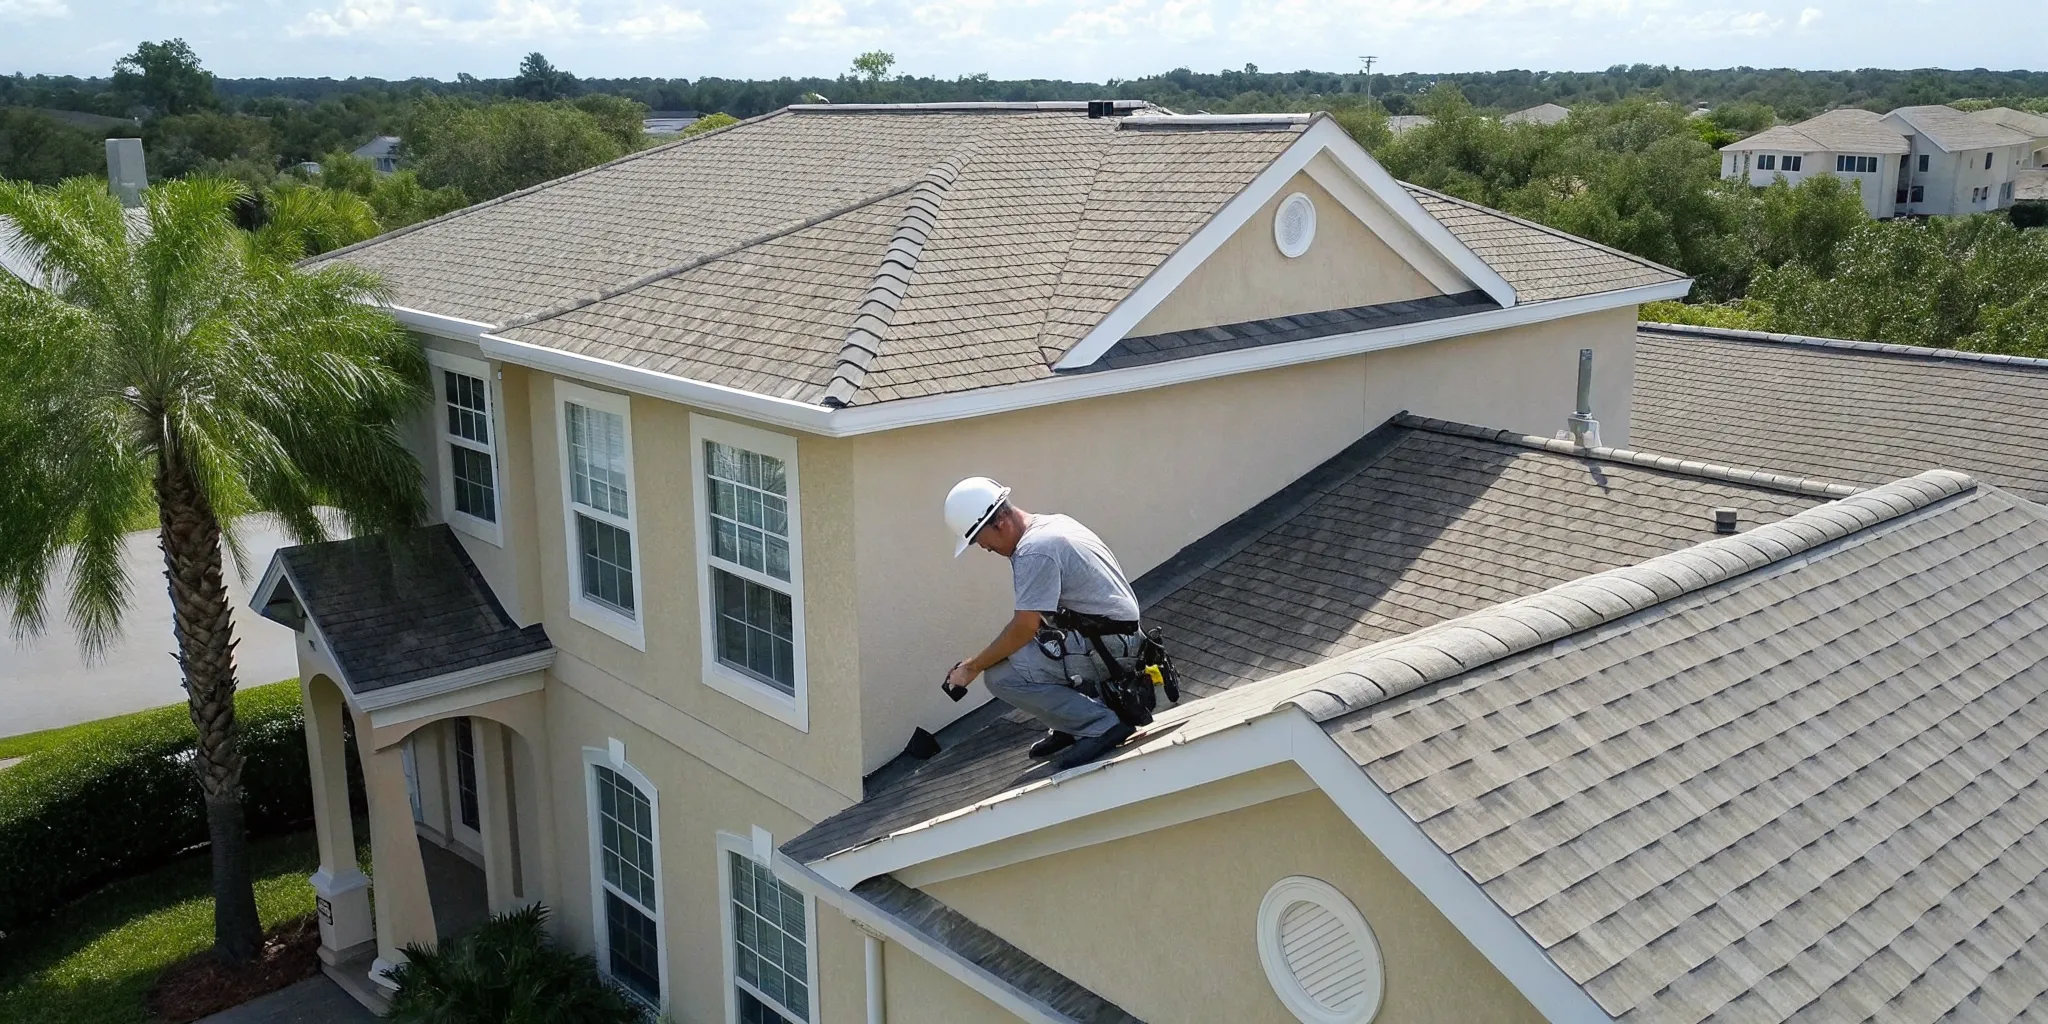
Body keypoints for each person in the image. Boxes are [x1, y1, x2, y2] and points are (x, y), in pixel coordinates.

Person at [941, 476, 1140, 769]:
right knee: (1015, 658)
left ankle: (1101, 725)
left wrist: (972, 667)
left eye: (977, 539)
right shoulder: (1051, 524)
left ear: (999, 523)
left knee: (1001, 677)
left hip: (1109, 645)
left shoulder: (1034, 551)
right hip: (1110, 635)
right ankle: (1071, 723)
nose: (982, 548)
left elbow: (1023, 628)